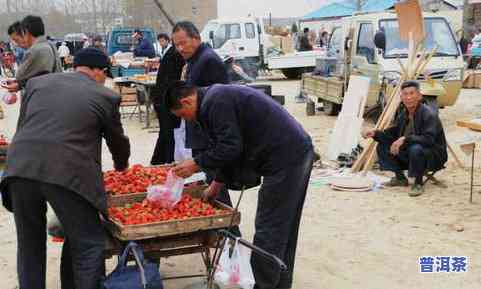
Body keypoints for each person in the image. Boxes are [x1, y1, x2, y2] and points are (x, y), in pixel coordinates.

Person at [0, 47, 131, 289]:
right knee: (88, 242)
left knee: (29, 243)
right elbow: (118, 142)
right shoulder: (105, 96)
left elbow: (24, 126)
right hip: (68, 172)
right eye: (105, 74)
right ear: (98, 71)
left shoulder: (38, 85)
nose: (105, 79)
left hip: (19, 168)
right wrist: (122, 167)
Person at [168, 81, 314, 289]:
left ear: (187, 101)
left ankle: (263, 285)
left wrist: (196, 164)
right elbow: (229, 147)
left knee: (270, 227)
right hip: (291, 151)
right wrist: (216, 185)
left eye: (183, 114)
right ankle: (279, 284)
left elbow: (230, 147)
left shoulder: (215, 101)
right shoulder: (212, 101)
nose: (186, 120)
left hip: (287, 157)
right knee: (282, 228)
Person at [171, 21, 237, 233]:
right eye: (176, 45)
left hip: (210, 134)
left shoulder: (208, 60)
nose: (180, 48)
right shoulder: (195, 60)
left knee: (217, 183)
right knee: (212, 181)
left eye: (183, 43)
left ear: (196, 38)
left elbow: (222, 99)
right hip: (201, 131)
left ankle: (227, 232)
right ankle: (219, 229)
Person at [362, 81, 448, 197]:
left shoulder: (429, 114)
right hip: (413, 153)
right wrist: (375, 134)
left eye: (412, 93)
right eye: (405, 94)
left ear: (419, 96)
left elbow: (429, 140)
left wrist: (405, 139)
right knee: (382, 145)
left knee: (416, 148)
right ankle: (400, 178)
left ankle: (418, 183)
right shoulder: (404, 114)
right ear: (401, 97)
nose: (408, 97)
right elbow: (393, 134)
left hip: (433, 155)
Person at [150, 33, 186, 165]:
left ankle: (156, 163)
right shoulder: (176, 54)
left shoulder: (173, 52)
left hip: (163, 98)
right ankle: (168, 163)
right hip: (166, 99)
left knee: (166, 133)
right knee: (170, 134)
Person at [4, 16, 62, 95]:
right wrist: (19, 83)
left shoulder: (35, 50)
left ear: (26, 32)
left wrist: (19, 84)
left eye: (16, 40)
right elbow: (42, 75)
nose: (16, 43)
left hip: (42, 98)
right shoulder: (49, 45)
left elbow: (20, 75)